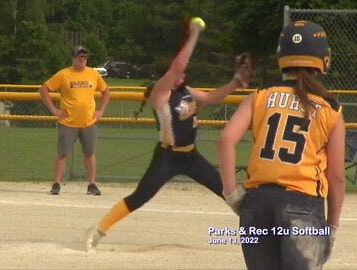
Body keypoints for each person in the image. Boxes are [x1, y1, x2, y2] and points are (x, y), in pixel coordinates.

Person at [85, 18, 252, 251]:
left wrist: (235, 83)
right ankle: (98, 230)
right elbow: (178, 66)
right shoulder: (160, 94)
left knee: (228, 191)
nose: (182, 74)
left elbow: (212, 97)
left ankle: (260, 234)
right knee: (140, 197)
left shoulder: (187, 92)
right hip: (167, 157)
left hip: (191, 157)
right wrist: (194, 34)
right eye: (178, 72)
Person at [218, 21, 345, 270]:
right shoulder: (331, 109)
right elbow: (337, 177)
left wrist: (231, 193)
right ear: (323, 59)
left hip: (258, 203)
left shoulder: (261, 95)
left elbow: (225, 140)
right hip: (304, 206)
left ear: (282, 57)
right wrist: (332, 227)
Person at [39, 46, 111, 196]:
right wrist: (54, 110)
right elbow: (44, 89)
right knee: (63, 153)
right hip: (68, 121)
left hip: (88, 121)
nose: (82, 59)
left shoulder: (93, 74)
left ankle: (91, 184)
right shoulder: (64, 74)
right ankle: (57, 183)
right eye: (79, 56)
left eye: (84, 56)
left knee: (89, 153)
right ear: (73, 58)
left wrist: (101, 111)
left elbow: (106, 92)